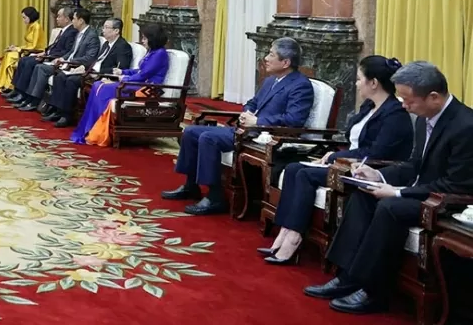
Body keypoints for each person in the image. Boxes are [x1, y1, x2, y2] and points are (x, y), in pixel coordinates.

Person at [305, 61, 473, 314]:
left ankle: (374, 291)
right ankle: (347, 276)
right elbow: (414, 165)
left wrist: (397, 191)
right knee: (363, 193)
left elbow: (454, 184)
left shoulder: (465, 126)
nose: (404, 106)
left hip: (449, 201)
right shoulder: (423, 118)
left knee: (390, 206)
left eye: (408, 100)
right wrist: (379, 175)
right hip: (423, 190)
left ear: (434, 97)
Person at [262, 56, 412, 264]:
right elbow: (354, 141)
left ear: (374, 83)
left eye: (359, 79)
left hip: (367, 170)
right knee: (295, 168)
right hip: (347, 162)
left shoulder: (395, 115)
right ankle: (284, 232)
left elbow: (376, 153)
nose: (356, 83)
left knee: (305, 173)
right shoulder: (369, 107)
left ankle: (294, 238)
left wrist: (335, 156)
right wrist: (337, 157)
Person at [163, 37, 315, 216]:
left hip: (267, 136)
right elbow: (252, 102)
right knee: (190, 132)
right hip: (248, 130)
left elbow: (294, 120)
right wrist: (247, 113)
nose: (266, 58)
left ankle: (215, 197)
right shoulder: (271, 80)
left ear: (286, 62)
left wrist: (258, 122)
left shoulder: (301, 85)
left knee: (208, 138)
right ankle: (191, 185)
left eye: (271, 54)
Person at [73, 23, 170, 146]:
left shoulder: (160, 54)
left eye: (145, 38)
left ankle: (97, 130)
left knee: (102, 87)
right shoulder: (152, 52)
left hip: (147, 88)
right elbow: (139, 70)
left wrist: (124, 78)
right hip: (139, 83)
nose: (142, 41)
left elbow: (143, 75)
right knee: (98, 84)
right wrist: (122, 71)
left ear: (153, 39)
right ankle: (91, 128)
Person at [43, 17, 133, 127]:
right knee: (61, 76)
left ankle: (67, 116)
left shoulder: (123, 47)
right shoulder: (106, 44)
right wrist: (84, 67)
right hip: (90, 72)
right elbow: (97, 61)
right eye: (103, 27)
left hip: (101, 76)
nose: (103, 30)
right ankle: (57, 111)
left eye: (106, 27)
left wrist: (96, 71)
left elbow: (121, 68)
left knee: (72, 80)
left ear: (116, 31)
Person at [9, 7, 100, 112]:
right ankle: (26, 96)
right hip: (63, 61)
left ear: (81, 20)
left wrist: (64, 60)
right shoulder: (79, 33)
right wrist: (58, 57)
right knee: (27, 61)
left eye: (74, 18)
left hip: (72, 65)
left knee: (40, 68)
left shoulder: (88, 35)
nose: (72, 20)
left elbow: (88, 57)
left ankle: (37, 102)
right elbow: (71, 52)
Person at [5, 7, 76, 103]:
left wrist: (46, 55)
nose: (56, 19)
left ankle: (25, 95)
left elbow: (66, 51)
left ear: (67, 19)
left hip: (53, 59)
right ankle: (18, 90)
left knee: (30, 63)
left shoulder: (71, 32)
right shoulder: (63, 30)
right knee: (24, 60)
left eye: (59, 16)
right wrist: (45, 52)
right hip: (47, 55)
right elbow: (54, 46)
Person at [0, 7, 45, 93]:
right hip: (26, 50)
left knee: (10, 56)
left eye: (24, 17)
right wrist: (15, 47)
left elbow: (34, 46)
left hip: (35, 51)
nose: (23, 20)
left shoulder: (37, 27)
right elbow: (27, 44)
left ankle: (9, 85)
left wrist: (18, 49)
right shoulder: (30, 26)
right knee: (8, 53)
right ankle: (5, 83)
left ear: (31, 16)